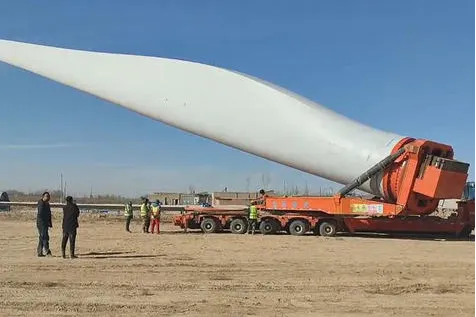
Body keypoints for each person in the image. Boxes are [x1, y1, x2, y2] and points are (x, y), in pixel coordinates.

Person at [36, 192, 52, 257]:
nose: (48, 198)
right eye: (47, 196)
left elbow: (49, 214)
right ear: (43, 197)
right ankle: (47, 251)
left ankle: (40, 252)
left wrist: (49, 222)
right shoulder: (41, 203)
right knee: (45, 237)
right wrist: (44, 222)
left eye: (49, 196)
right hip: (41, 223)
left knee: (42, 237)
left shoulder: (47, 204)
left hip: (45, 223)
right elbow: (40, 213)